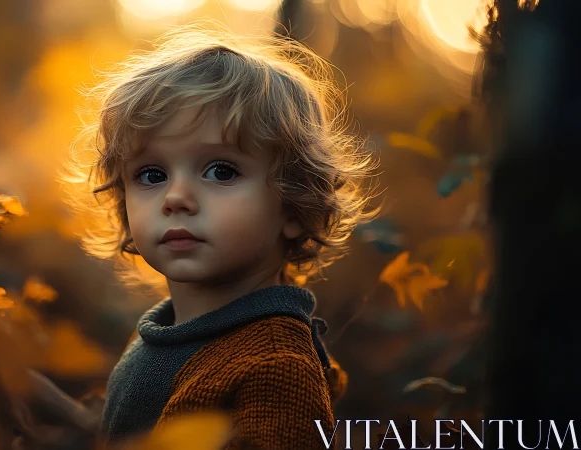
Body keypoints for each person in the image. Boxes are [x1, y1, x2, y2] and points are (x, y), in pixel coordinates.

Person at [61, 19, 378, 449]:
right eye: (151, 174)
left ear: (294, 205)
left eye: (221, 171)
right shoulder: (161, 333)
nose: (176, 197)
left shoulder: (275, 366)